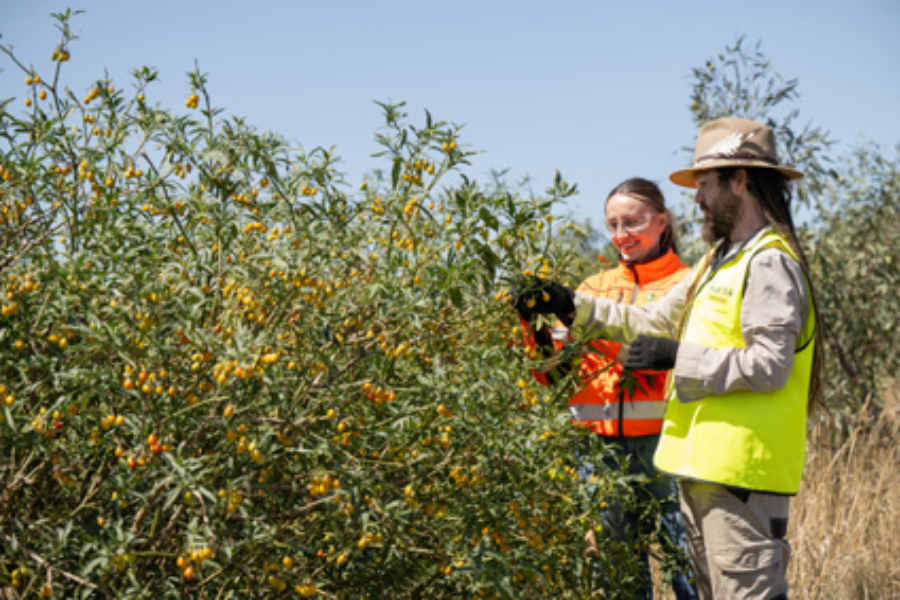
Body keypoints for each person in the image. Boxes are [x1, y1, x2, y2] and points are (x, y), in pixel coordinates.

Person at [526, 117, 821, 599]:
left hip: (743, 479)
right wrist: (569, 304)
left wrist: (678, 357)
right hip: (704, 474)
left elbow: (770, 365)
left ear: (740, 180)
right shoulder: (718, 261)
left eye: (705, 184)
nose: (698, 199)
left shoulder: (768, 261)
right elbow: (652, 319)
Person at [514, 178, 695, 599]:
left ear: (662, 222)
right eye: (612, 224)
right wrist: (533, 326)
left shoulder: (687, 284)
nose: (620, 235)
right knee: (616, 580)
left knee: (688, 570)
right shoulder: (593, 288)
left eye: (632, 222)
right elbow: (552, 374)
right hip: (598, 453)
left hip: (668, 447)